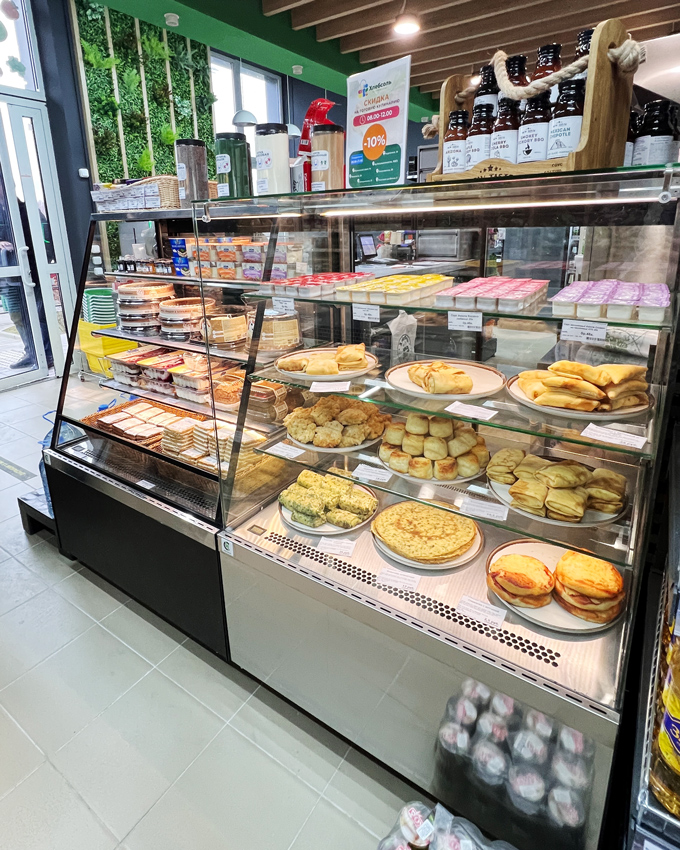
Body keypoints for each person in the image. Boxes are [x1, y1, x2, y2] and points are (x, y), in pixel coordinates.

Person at [0, 184, 54, 370]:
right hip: (8, 275)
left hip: (32, 272)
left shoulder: (26, 211)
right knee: (17, 315)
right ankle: (32, 352)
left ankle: (46, 354)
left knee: (38, 314)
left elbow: (45, 239)